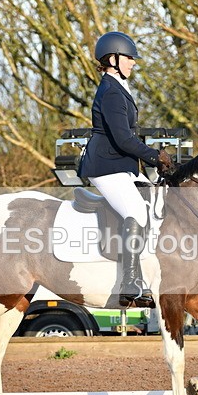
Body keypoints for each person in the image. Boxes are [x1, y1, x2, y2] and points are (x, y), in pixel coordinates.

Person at [77, 31, 174, 308]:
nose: (133, 63)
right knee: (135, 210)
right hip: (106, 166)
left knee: (154, 201)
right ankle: (130, 282)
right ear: (113, 59)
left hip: (122, 165)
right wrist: (156, 157)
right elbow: (123, 139)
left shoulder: (118, 86)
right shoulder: (110, 92)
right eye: (129, 58)